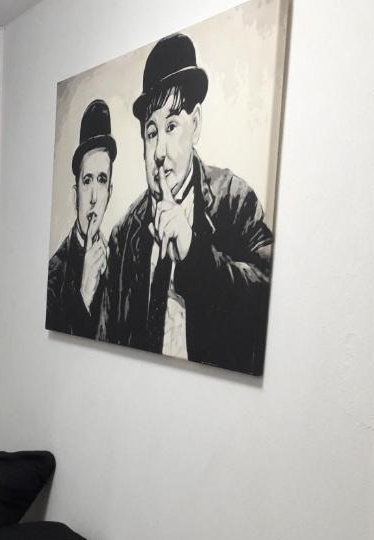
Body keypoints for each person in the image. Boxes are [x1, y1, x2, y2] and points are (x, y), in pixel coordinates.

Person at [101, 33, 273, 375]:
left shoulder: (234, 200)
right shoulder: (124, 234)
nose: (159, 152)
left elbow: (267, 295)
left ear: (196, 124)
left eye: (171, 126)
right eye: (151, 133)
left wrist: (194, 253)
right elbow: (108, 338)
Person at [46, 99, 117, 339]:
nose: (94, 197)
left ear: (110, 193)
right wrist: (84, 294)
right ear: (75, 195)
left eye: (102, 180)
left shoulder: (117, 261)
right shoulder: (55, 272)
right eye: (87, 181)